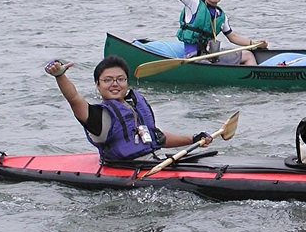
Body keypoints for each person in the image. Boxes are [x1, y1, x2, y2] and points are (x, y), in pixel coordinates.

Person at [45, 55, 213, 163]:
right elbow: (73, 98)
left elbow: (157, 137)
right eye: (108, 80)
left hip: (155, 162)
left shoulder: (133, 105)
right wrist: (60, 76)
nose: (115, 84)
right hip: (125, 171)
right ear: (97, 84)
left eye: (120, 79)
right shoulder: (98, 117)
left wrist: (193, 139)